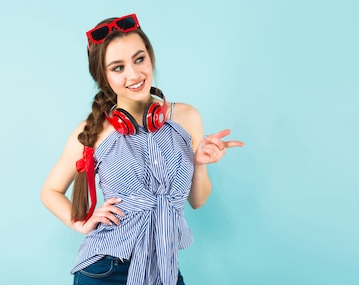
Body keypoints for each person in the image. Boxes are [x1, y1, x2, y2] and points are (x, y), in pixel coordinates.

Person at [40, 13, 243, 285]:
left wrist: (200, 163)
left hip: (164, 269)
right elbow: (49, 192)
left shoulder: (187, 118)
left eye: (139, 59)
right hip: (106, 271)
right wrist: (83, 223)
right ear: (103, 77)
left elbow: (197, 201)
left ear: (150, 56)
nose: (134, 75)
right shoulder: (92, 130)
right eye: (118, 67)